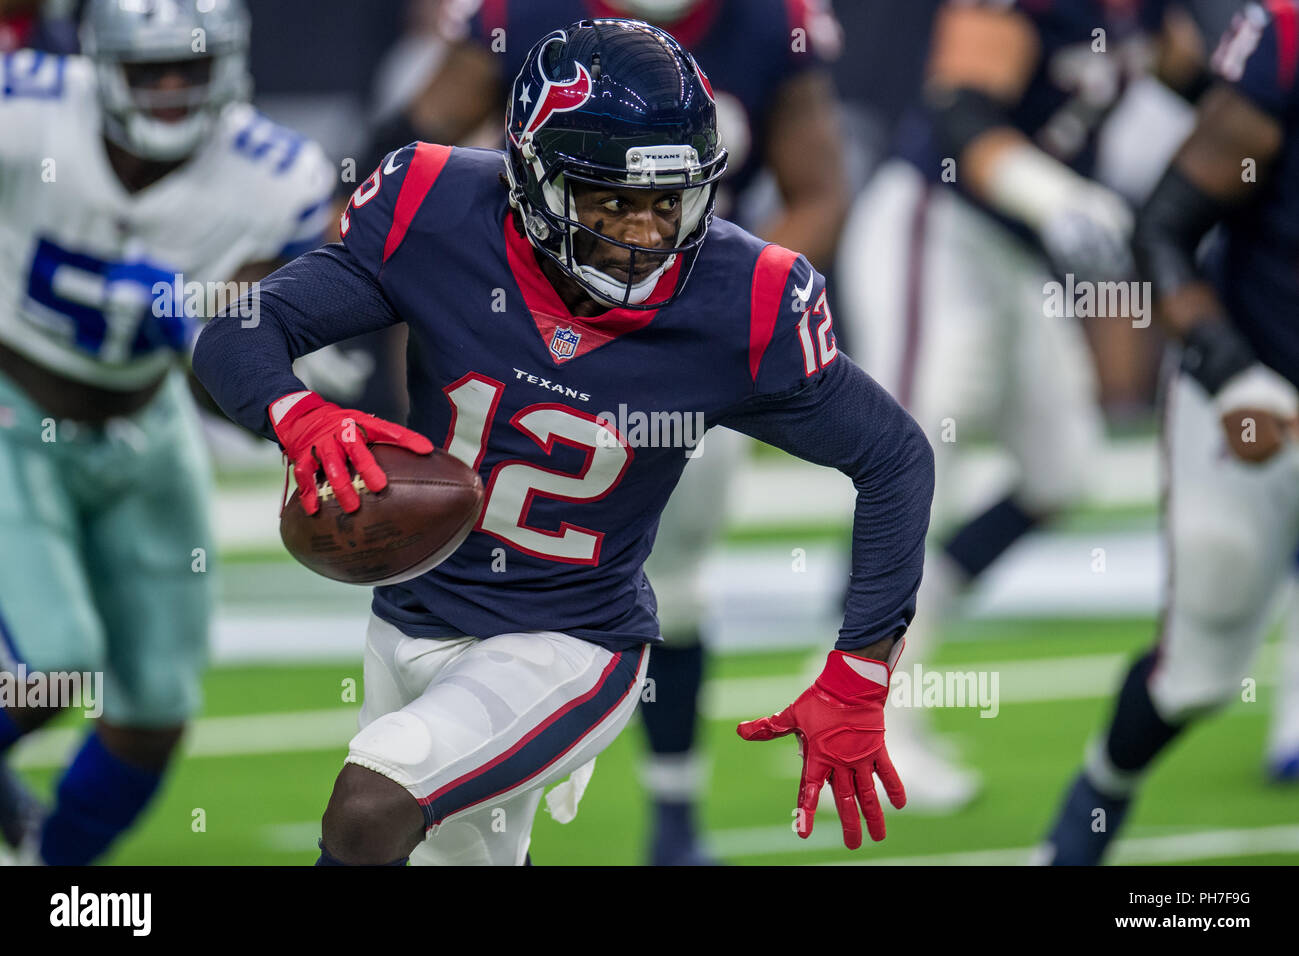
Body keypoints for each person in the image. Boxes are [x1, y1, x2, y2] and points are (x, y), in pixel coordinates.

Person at [193, 18, 933, 866]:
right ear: (534, 178)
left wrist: (861, 671)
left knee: (369, 810)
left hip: (569, 643)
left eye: (669, 202)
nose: (648, 235)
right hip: (408, 613)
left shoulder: (742, 302)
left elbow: (894, 456)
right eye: (613, 200)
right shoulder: (437, 211)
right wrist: (298, 413)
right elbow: (247, 327)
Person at [350, 0, 850, 864]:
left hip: (671, 358)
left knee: (680, 586)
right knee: (486, 594)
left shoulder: (770, 22)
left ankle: (674, 816)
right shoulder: (530, 15)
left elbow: (818, 190)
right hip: (522, 339)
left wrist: (710, 322)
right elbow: (417, 132)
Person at [834, 0, 1209, 811]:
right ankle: (863, 714)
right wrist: (1053, 194)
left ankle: (892, 637)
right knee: (907, 465)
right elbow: (959, 112)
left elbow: (1208, 90)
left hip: (1018, 255)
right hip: (941, 229)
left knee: (1060, 471)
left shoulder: (1153, 14)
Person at [0, 0, 334, 864]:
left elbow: (247, 369)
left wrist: (217, 345)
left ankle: (52, 873)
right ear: (103, 62)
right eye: (151, 70)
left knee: (153, 706)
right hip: (9, 404)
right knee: (48, 664)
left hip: (144, 421)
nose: (173, 88)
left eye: (191, 66)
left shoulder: (276, 177)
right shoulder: (25, 106)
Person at [1043, 0, 1299, 864]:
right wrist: (1234, 372)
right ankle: (1094, 801)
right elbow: (1164, 230)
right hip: (1258, 385)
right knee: (1201, 663)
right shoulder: (1287, 52)